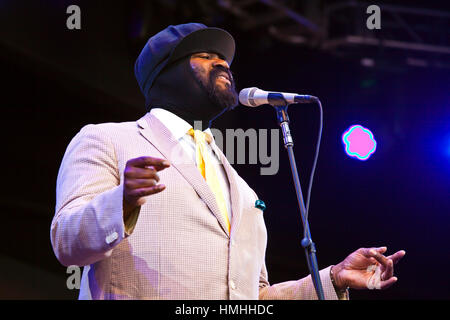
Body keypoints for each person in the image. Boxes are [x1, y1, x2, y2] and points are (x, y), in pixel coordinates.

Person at [50, 23, 405, 300]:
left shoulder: (241, 188)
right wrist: (121, 202)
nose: (222, 62)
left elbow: (255, 295)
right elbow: (66, 242)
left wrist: (332, 279)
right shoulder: (107, 139)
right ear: (165, 72)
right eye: (204, 55)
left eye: (223, 58)